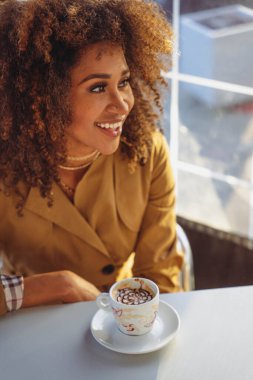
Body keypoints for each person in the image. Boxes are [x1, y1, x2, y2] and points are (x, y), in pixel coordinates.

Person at [0, 0, 183, 316]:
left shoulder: (147, 153)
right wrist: (58, 285)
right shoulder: (6, 166)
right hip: (32, 323)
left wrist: (135, 332)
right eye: (98, 87)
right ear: (45, 95)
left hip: (122, 318)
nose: (122, 103)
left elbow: (161, 281)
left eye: (123, 82)